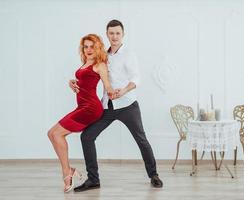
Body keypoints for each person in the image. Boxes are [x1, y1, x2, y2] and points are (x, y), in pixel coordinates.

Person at [71, 20, 163, 192]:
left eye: (117, 33)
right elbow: (89, 74)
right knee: (87, 137)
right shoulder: (102, 56)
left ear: (123, 34)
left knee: (141, 140)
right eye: (111, 33)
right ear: (107, 34)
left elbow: (136, 78)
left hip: (128, 105)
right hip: (107, 107)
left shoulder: (129, 54)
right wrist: (74, 82)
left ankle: (154, 175)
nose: (114, 36)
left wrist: (124, 91)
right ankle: (93, 180)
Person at [47, 34, 114, 193]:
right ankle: (68, 170)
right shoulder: (85, 63)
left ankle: (66, 173)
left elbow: (107, 85)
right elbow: (83, 81)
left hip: (90, 108)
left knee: (57, 135)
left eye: (92, 46)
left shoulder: (100, 65)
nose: (89, 49)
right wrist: (72, 83)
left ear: (97, 47)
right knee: (51, 133)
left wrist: (114, 92)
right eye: (86, 46)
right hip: (82, 106)